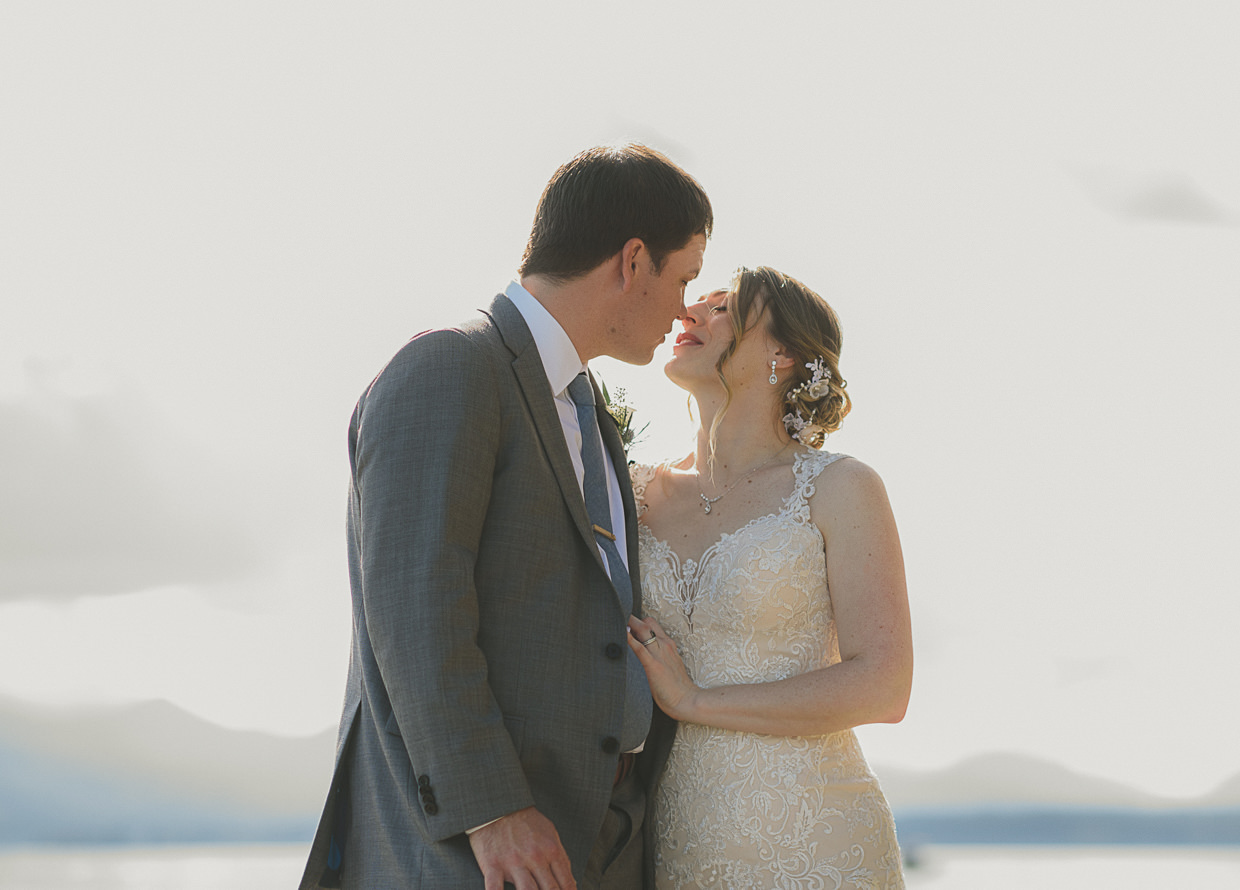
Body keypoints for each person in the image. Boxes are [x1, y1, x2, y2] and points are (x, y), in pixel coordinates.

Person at [298, 144, 712, 890]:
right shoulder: (451, 367)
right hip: (480, 853)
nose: (686, 306)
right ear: (633, 261)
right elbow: (416, 613)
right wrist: (492, 812)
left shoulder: (590, 416)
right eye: (684, 277)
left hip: (593, 843)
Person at [624, 266, 912, 889]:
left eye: (723, 307)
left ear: (782, 352)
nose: (688, 315)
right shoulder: (634, 494)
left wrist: (696, 702)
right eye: (693, 303)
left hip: (819, 840)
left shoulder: (839, 488)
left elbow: (885, 687)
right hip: (681, 842)